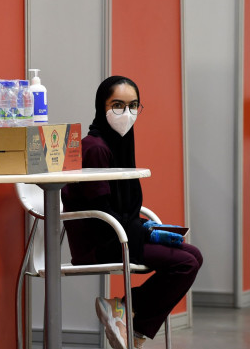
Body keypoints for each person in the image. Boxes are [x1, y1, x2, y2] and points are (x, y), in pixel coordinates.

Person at [61, 76, 203, 349]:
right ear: (101, 106)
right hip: (100, 242)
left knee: (194, 255)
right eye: (117, 105)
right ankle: (126, 309)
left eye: (133, 105)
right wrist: (142, 230)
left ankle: (131, 323)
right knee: (184, 263)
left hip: (119, 232)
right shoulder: (96, 147)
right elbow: (100, 214)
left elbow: (122, 208)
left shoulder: (119, 142)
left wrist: (145, 228)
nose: (126, 114)